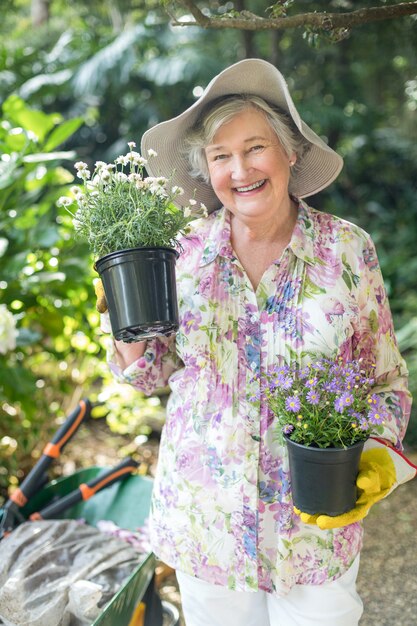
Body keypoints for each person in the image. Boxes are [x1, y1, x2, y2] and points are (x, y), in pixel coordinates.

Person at [103, 59, 416, 626]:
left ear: (290, 153)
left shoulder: (347, 252)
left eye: (255, 148)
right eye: (221, 156)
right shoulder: (182, 255)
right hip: (208, 523)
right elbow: (151, 374)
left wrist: (373, 461)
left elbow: (387, 381)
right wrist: (124, 326)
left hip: (314, 528)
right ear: (207, 171)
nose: (240, 169)